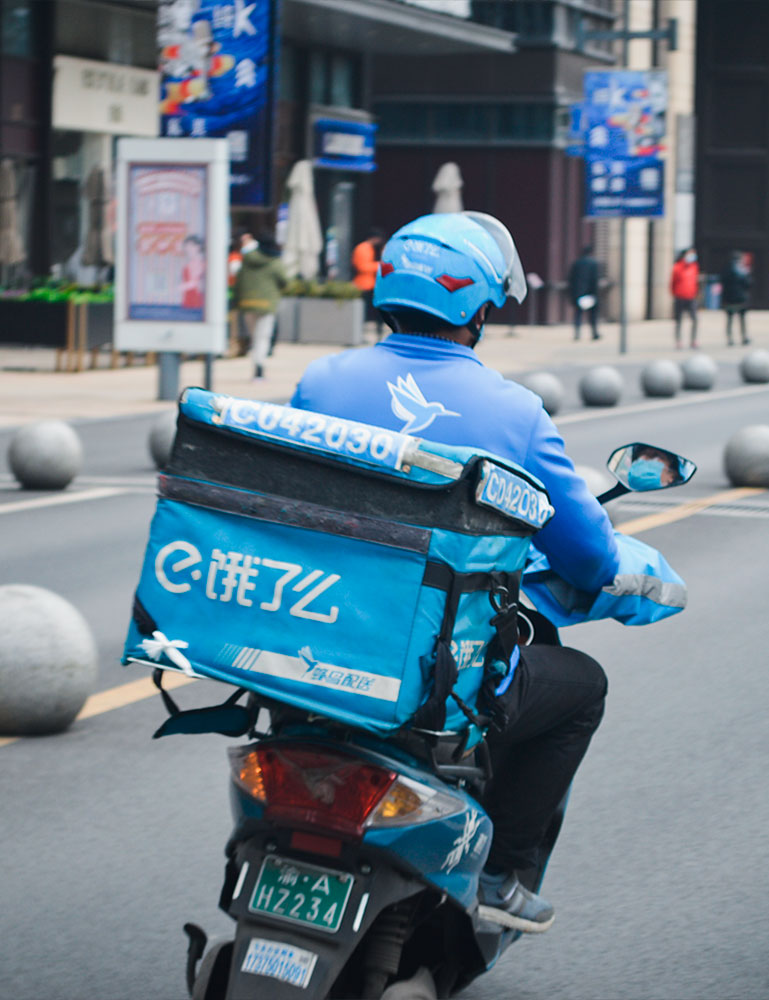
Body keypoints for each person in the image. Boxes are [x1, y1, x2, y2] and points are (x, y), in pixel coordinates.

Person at [291, 211, 683, 934]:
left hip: (319, 638)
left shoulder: (321, 381)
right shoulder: (514, 413)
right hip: (433, 669)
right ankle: (501, 873)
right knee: (582, 688)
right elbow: (591, 559)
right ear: (477, 308)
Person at [234, 232, 288, 382]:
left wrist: (237, 301)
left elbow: (239, 281)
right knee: (262, 337)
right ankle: (259, 368)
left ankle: (257, 363)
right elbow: (284, 281)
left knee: (254, 336)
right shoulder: (275, 261)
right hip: (267, 304)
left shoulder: (247, 259)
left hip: (248, 303)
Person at [352, 228, 386, 336]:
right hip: (364, 284)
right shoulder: (363, 248)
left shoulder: (371, 248)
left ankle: (376, 332)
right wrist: (379, 265)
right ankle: (362, 333)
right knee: (365, 311)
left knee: (374, 311)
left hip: (371, 284)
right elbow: (362, 267)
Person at [567, 245, 601, 341]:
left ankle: (577, 333)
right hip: (590, 293)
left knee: (578, 314)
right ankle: (594, 333)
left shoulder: (576, 263)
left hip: (578, 293)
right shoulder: (593, 264)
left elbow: (571, 279)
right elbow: (595, 280)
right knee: (593, 314)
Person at [720, 250, 751, 345]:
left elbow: (722, 282)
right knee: (741, 319)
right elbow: (748, 284)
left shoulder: (727, 269)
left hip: (729, 298)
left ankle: (730, 339)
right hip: (740, 298)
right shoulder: (742, 270)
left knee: (730, 319)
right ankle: (744, 337)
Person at [670, 247, 700, 349]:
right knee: (678, 320)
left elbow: (695, 282)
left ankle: (693, 340)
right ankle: (678, 341)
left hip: (691, 297)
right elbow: (672, 283)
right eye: (690, 254)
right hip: (680, 296)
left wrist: (696, 293)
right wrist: (674, 293)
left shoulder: (694, 267)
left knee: (695, 319)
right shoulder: (677, 267)